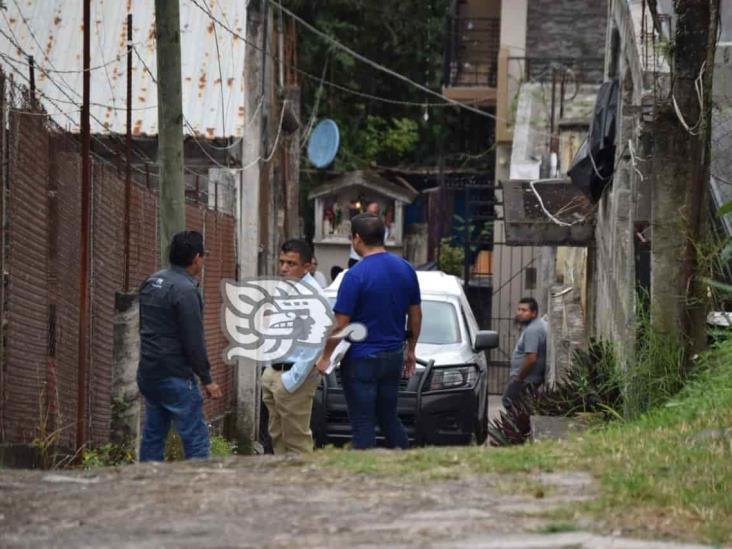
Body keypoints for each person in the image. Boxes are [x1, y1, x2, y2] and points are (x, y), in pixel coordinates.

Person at [316, 213, 422, 450]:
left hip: (362, 358)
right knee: (388, 417)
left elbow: (341, 325)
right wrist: (411, 350)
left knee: (363, 422)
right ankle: (406, 462)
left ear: (356, 238)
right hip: (394, 355)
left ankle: (365, 471)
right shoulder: (406, 269)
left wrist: (325, 358)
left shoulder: (354, 276)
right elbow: (415, 314)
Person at [137, 231, 222, 462]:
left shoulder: (152, 281)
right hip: (175, 375)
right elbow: (193, 340)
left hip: (149, 371)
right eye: (203, 256)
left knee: (154, 433)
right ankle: (198, 486)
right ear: (196, 258)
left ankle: (145, 482)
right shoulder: (185, 290)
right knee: (195, 437)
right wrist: (207, 379)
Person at [261, 239, 325, 454]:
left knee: (297, 441)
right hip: (274, 371)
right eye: (282, 262)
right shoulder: (286, 286)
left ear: (307, 266)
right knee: (277, 436)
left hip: (294, 376)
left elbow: (315, 343)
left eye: (291, 263)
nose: (284, 268)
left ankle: (305, 485)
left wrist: (291, 381)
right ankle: (284, 484)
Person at [502, 297, 547, 411]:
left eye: (524, 310)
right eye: (519, 309)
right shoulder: (539, 324)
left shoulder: (532, 330)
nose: (520, 313)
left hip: (526, 379)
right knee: (521, 408)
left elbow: (531, 358)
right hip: (529, 379)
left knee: (509, 403)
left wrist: (518, 378)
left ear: (533, 313)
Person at [348, 201, 381, 268]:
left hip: (371, 261)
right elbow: (350, 237)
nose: (371, 215)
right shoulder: (357, 223)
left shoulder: (380, 227)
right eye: (369, 212)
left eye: (374, 213)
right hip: (355, 260)